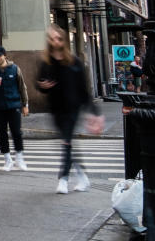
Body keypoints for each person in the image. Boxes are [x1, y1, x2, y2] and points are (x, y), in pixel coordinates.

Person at [36, 23, 105, 194]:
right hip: (55, 110)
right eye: (52, 39)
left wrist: (95, 113)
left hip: (73, 109)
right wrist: (42, 86)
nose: (55, 41)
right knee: (67, 144)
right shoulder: (46, 62)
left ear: (64, 40)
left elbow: (84, 90)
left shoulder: (75, 62)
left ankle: (63, 179)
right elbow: (39, 83)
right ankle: (83, 177)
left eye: (58, 38)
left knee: (66, 142)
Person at [0, 45, 29, 171]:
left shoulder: (15, 68)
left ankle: (19, 159)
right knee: (2, 133)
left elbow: (22, 87)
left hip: (14, 105)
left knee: (16, 132)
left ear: (5, 56)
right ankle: (7, 160)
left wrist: (25, 104)